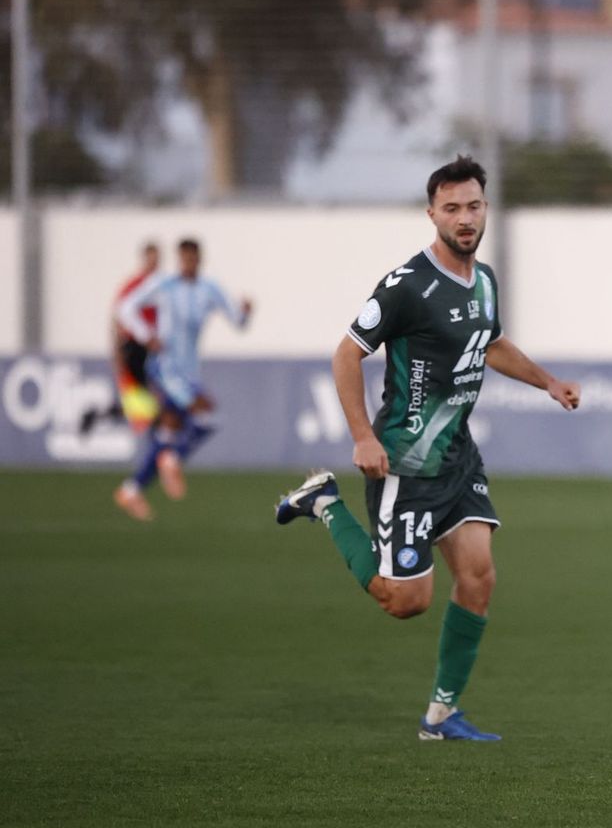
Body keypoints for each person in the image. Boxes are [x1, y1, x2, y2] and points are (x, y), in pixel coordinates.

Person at [274, 155, 582, 743]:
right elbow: (346, 354)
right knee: (405, 602)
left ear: (484, 209)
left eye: (473, 206)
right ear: (431, 214)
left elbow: (488, 345)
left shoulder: (485, 279)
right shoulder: (405, 286)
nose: (464, 218)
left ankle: (440, 717)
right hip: (404, 464)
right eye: (452, 208)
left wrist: (547, 382)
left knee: (480, 577)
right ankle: (324, 503)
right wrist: (363, 436)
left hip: (457, 457)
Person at [112, 237, 253, 520]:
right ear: (179, 259)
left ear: (200, 259)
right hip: (164, 366)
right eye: (184, 258)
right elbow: (125, 307)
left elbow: (237, 320)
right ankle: (172, 459)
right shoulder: (164, 284)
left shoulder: (209, 288)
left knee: (169, 431)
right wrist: (145, 335)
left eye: (193, 258)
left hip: (189, 371)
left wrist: (246, 313)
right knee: (207, 414)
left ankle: (131, 489)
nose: (189, 263)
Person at [80, 241, 162, 436]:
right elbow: (117, 318)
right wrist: (116, 351)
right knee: (146, 409)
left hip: (154, 351)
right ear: (144, 259)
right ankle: (99, 414)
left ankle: (98, 414)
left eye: (157, 259)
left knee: (148, 409)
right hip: (134, 350)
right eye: (151, 259)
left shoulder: (161, 287)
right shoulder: (133, 286)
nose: (154, 263)